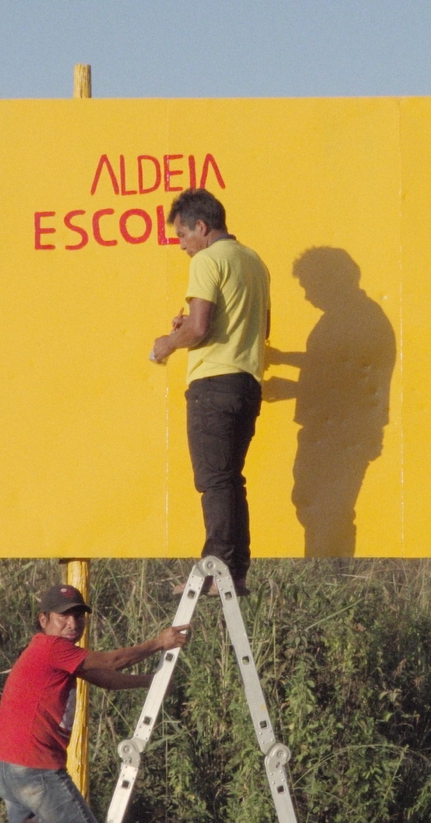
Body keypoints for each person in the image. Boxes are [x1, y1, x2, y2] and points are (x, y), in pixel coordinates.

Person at [0, 583, 190, 823]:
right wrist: (158, 643)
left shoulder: (49, 653)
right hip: (35, 768)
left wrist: (151, 681)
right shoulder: (53, 648)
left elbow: (106, 679)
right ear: (43, 619)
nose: (73, 624)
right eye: (63, 616)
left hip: (9, 769)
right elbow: (112, 662)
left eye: (78, 616)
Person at [149, 188, 271, 594]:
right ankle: (235, 571)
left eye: (182, 235)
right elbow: (260, 330)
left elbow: (200, 329)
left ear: (201, 227)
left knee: (214, 482)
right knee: (231, 480)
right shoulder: (254, 262)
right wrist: (187, 328)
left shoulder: (207, 259)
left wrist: (168, 343)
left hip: (212, 384)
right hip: (246, 382)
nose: (181, 245)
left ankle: (216, 569)